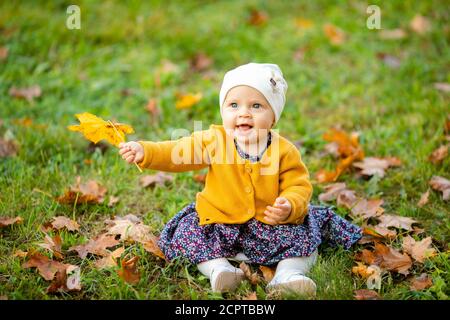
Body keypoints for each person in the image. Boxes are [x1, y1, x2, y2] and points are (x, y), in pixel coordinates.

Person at [119, 63, 361, 296]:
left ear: (273, 117)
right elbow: (178, 151)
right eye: (234, 105)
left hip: (270, 226)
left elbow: (298, 185)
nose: (244, 113)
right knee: (187, 232)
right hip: (221, 221)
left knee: (306, 239)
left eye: (256, 106)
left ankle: (288, 275)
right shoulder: (215, 141)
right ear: (223, 111)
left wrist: (288, 206)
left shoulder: (283, 151)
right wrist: (146, 152)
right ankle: (220, 270)